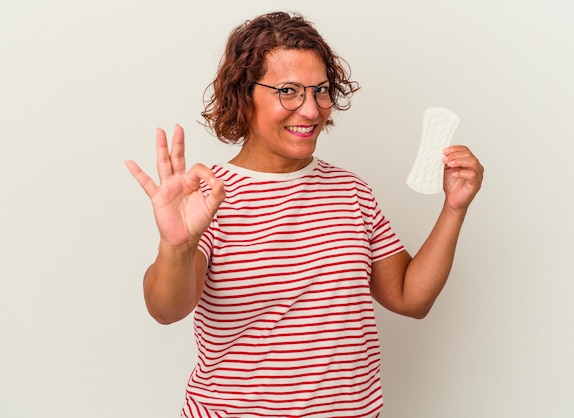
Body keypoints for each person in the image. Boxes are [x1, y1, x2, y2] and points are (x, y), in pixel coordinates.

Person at [126, 11, 484, 418]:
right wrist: (177, 244)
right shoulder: (207, 196)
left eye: (320, 91)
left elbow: (409, 297)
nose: (311, 111)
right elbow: (166, 309)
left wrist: (454, 208)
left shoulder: (352, 192)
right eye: (289, 91)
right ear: (245, 95)